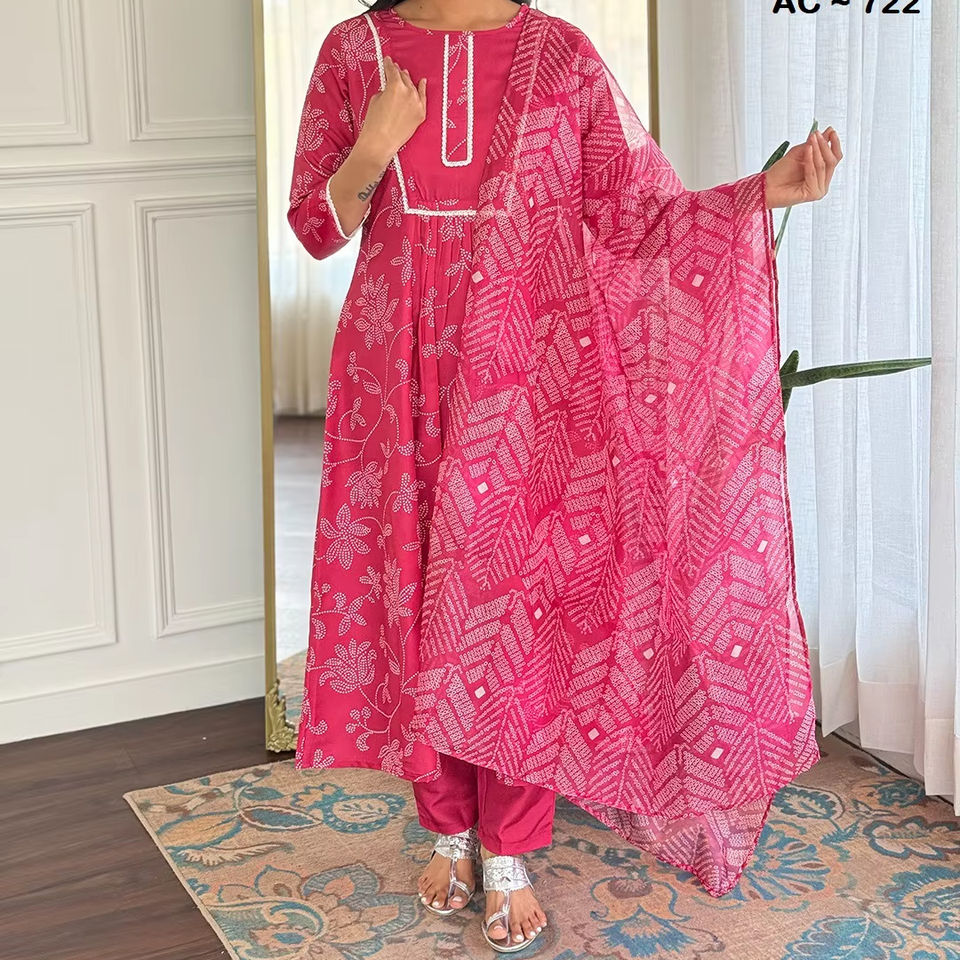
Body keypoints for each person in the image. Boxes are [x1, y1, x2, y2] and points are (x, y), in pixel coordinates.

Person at [287, 0, 842, 953]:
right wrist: (372, 147)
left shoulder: (562, 58)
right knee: (414, 593)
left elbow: (637, 217)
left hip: (527, 372)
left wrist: (762, 193)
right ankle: (448, 832)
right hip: (396, 366)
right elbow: (313, 227)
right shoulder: (355, 49)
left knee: (515, 606)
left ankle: (508, 850)